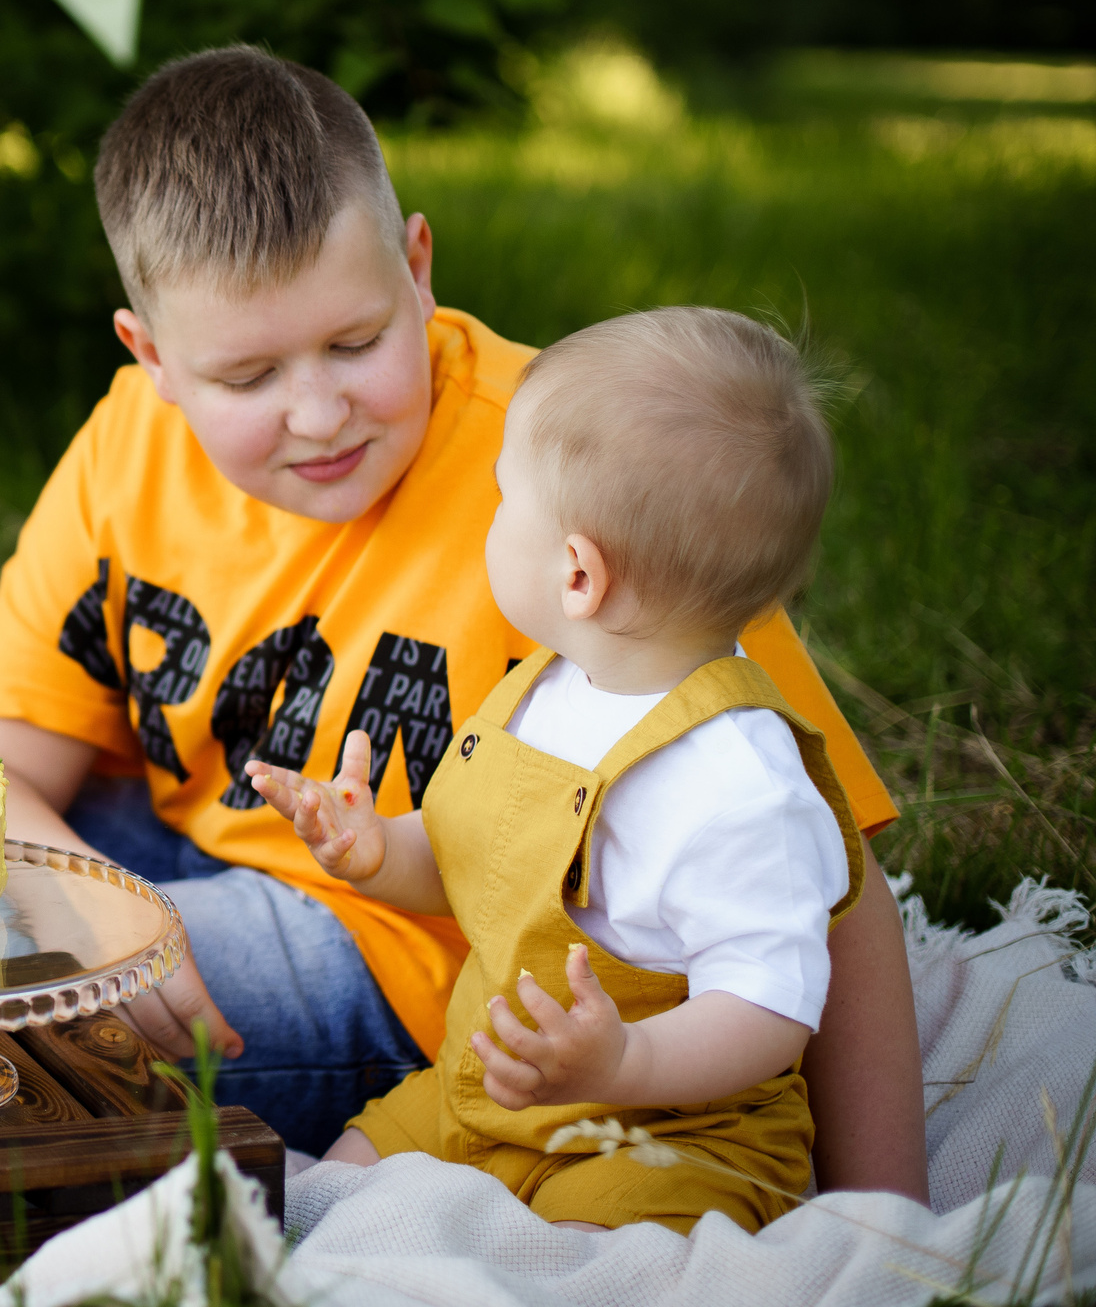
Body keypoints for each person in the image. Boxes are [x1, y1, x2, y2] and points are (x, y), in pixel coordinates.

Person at [0, 46, 926, 1200]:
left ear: (418, 264)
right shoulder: (128, 445)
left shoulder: (573, 475)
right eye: (249, 372)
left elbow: (829, 860)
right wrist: (109, 919)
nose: (320, 410)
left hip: (396, 956)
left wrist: (887, 1211)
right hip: (163, 862)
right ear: (150, 359)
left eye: (354, 341)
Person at [251, 306, 861, 1232]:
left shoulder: (740, 782)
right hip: (483, 1095)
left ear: (578, 574)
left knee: (603, 1262)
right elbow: (478, 867)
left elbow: (770, 1003)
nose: (489, 518)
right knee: (335, 1195)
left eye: (503, 500)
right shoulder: (551, 686)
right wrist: (377, 849)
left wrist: (626, 1065)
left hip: (665, 1132)